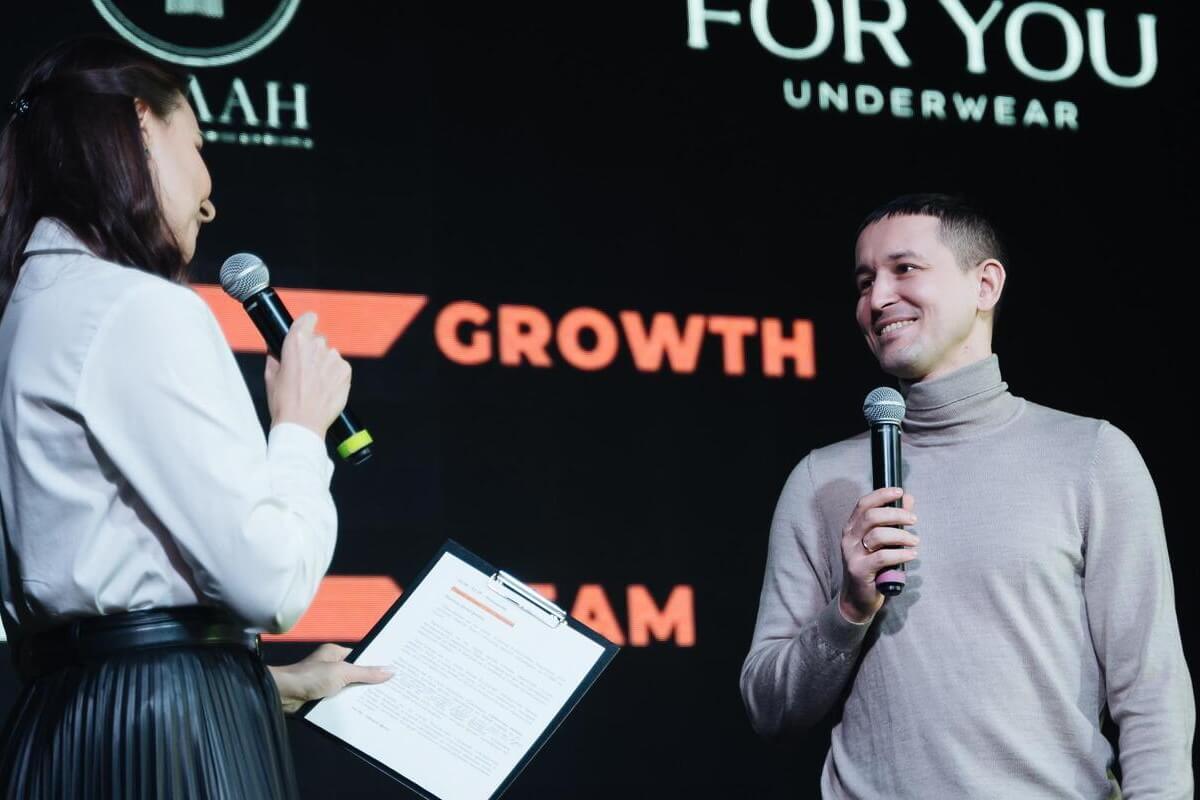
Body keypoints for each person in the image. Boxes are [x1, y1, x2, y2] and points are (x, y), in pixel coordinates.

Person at [0, 36, 390, 797]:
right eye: (200, 146)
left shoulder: (26, 314)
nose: (210, 199)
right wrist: (301, 429)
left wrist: (270, 683)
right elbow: (271, 584)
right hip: (168, 728)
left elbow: (98, 605)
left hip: (65, 725)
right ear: (142, 126)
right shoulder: (140, 308)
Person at [740, 194, 1194, 798]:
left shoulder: (1091, 456)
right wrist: (848, 608)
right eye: (865, 281)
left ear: (985, 285)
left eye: (905, 269)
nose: (877, 299)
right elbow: (768, 707)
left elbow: (1151, 692)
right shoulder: (823, 480)